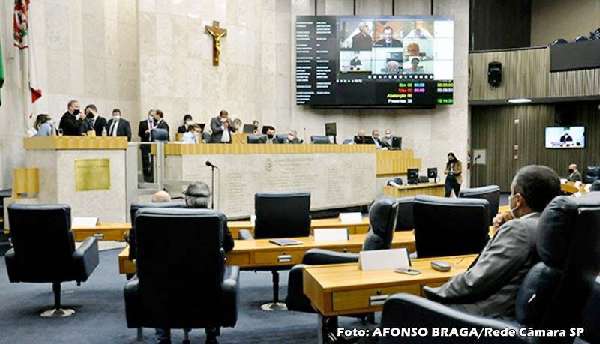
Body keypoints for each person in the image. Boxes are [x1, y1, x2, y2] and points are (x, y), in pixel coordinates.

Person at [424, 165, 561, 319]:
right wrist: (500, 234)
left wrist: (432, 293)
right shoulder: (555, 227)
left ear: (517, 201)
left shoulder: (519, 230)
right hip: (527, 317)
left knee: (401, 307)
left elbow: (476, 281)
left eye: (511, 194)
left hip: (487, 316)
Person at [156, 182, 234, 344]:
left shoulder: (166, 219)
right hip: (206, 284)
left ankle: (164, 337)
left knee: (160, 286)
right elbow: (229, 245)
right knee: (214, 282)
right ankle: (211, 335)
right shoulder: (218, 218)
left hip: (170, 285)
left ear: (187, 200)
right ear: (208, 200)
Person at [139, 109, 156, 182]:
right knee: (145, 161)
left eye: (153, 116)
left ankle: (153, 177)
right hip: (145, 143)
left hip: (154, 144)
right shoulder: (143, 123)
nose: (152, 117)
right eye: (151, 115)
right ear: (148, 115)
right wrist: (146, 132)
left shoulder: (157, 123)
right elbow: (140, 133)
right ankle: (146, 177)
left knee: (153, 161)